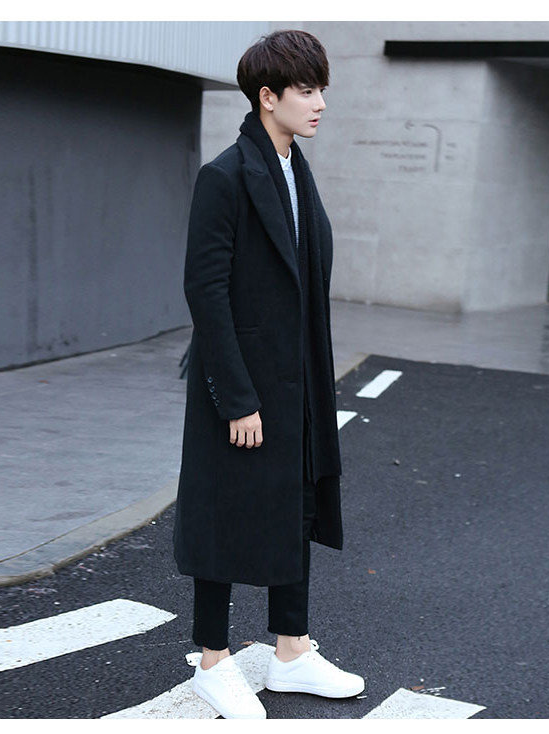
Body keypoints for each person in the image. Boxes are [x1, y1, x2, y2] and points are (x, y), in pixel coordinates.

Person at [172, 29, 364, 719]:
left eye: (322, 90)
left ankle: (291, 650)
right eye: (306, 90)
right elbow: (206, 291)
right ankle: (212, 660)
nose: (320, 104)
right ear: (267, 97)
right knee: (223, 515)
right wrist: (236, 398)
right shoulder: (224, 176)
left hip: (299, 378)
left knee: (297, 503)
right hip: (244, 385)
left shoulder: (294, 169)